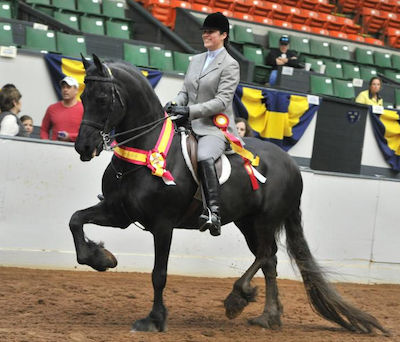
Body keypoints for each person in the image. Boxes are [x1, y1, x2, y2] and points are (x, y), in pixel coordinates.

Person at [165, 12, 240, 237]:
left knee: (204, 156)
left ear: (223, 35)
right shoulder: (196, 60)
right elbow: (185, 91)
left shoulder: (230, 65)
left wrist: (189, 111)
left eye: (211, 32)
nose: (205, 35)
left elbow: (221, 102)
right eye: (204, 31)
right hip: (186, 122)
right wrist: (175, 103)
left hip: (212, 128)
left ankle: (213, 212)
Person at [40, 76, 83, 142]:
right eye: (63, 87)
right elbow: (44, 130)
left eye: (68, 87)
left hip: (77, 149)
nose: (65, 90)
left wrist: (70, 137)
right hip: (55, 148)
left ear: (76, 90)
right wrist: (46, 143)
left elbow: (88, 134)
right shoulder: (52, 108)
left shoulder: (84, 109)